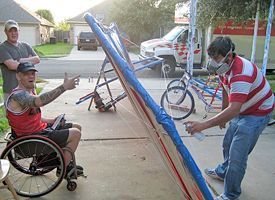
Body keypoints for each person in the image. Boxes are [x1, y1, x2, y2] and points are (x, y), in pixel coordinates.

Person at [185, 36, 274, 200]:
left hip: (258, 113)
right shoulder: (224, 68)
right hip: (244, 108)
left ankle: (231, 194)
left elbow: (235, 109)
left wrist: (203, 125)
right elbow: (226, 89)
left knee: (237, 156)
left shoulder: (241, 73)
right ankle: (223, 172)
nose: (213, 62)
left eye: (216, 58)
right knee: (228, 143)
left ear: (229, 56)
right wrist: (223, 113)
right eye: (211, 57)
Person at [5, 62, 83, 177]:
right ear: (18, 76)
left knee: (77, 126)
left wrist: (52, 121)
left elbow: (31, 117)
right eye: (26, 74)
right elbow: (40, 101)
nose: (31, 76)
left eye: (33, 73)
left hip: (39, 132)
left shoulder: (29, 91)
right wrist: (64, 87)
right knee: (75, 134)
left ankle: (63, 160)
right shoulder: (18, 96)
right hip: (30, 139)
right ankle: (63, 168)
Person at [0, 19, 40, 102]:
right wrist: (29, 61)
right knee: (14, 115)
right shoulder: (2, 48)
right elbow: (12, 66)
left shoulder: (25, 45)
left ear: (19, 31)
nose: (13, 33)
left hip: (29, 90)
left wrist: (18, 60)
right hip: (12, 92)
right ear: (5, 32)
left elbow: (37, 59)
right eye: (10, 31)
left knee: (33, 114)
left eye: (15, 30)